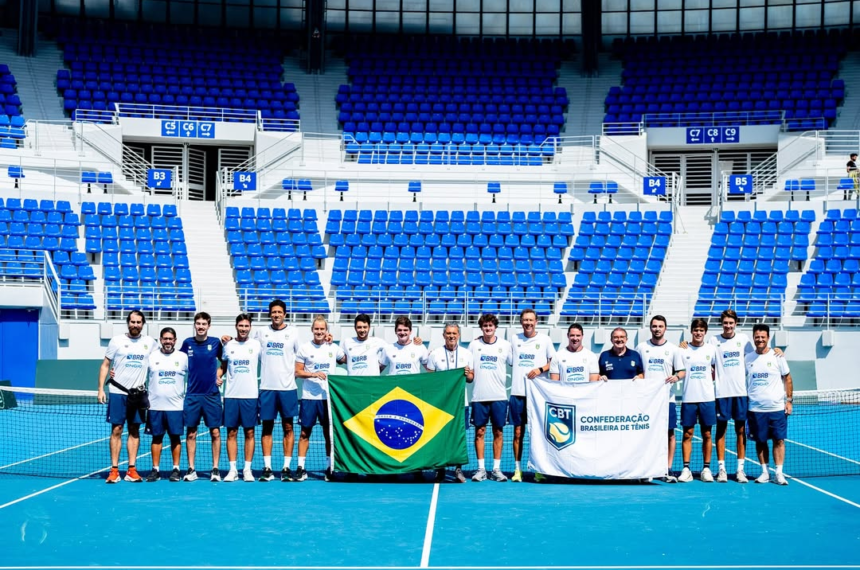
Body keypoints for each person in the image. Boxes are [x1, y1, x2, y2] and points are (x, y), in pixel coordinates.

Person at [97, 310, 158, 484]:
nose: (135, 325)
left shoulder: (150, 343)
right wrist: (100, 389)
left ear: (143, 324)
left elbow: (162, 359)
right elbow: (105, 365)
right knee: (116, 429)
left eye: (139, 322)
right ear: (128, 322)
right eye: (132, 322)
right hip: (118, 392)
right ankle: (114, 470)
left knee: (134, 430)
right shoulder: (116, 341)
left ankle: (132, 469)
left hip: (137, 394)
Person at [254, 300, 301, 482]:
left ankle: (286, 467)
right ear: (270, 314)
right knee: (267, 428)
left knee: (288, 427)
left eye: (279, 312)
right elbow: (250, 349)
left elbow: (301, 356)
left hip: (288, 389)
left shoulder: (294, 333)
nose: (276, 315)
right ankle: (267, 468)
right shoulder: (261, 333)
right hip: (267, 388)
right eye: (273, 312)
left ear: (285, 314)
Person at [635, 316, 686, 482]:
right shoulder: (641, 348)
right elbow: (637, 371)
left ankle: (667, 468)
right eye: (655, 326)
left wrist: (676, 378)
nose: (657, 329)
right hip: (646, 400)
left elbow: (682, 371)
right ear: (650, 328)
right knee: (645, 434)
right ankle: (646, 469)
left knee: (669, 434)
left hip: (667, 400)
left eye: (660, 326)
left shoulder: (673, 349)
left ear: (665, 329)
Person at [295, 316, 345, 482]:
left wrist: (333, 341)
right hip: (309, 398)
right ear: (312, 330)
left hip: (328, 399)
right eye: (316, 329)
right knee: (304, 433)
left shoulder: (333, 348)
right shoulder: (304, 348)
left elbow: (345, 359)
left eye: (322, 329)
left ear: (326, 331)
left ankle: (328, 467)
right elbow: (297, 372)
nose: (319, 332)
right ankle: (300, 468)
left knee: (328, 434)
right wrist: (313, 374)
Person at [708, 309, 755, 484]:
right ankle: (722, 469)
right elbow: (705, 358)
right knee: (721, 431)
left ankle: (740, 470)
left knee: (741, 431)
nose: (728, 326)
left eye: (731, 323)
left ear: (736, 323)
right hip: (722, 394)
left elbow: (756, 356)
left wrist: (776, 351)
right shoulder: (714, 340)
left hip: (741, 393)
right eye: (725, 323)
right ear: (722, 323)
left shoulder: (743, 340)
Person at [509, 308, 555, 482]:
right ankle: (517, 469)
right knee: (518, 433)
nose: (528, 323)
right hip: (518, 394)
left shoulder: (545, 340)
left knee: (538, 433)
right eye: (525, 320)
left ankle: (539, 469)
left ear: (536, 321)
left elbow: (554, 362)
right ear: (521, 322)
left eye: (531, 320)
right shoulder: (514, 339)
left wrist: (540, 369)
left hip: (537, 396)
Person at [426, 322, 474, 483]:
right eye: (448, 333)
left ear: (458, 335)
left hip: (461, 403)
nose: (451, 336)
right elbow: (430, 379)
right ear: (443, 335)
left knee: (459, 435)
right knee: (440, 436)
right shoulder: (435, 354)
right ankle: (440, 468)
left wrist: (467, 374)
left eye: (454, 333)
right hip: (440, 405)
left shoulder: (467, 354)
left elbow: (470, 379)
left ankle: (458, 469)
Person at [468, 313, 513, 482]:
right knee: (479, 432)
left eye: (490, 326)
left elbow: (516, 363)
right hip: (479, 397)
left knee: (498, 432)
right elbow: (470, 371)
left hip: (499, 397)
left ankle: (496, 469)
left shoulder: (505, 345)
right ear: (481, 328)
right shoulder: (474, 345)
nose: (488, 329)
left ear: (495, 327)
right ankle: (481, 469)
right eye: (485, 326)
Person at [745, 324, 792, 486]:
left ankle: (779, 473)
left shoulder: (777, 356)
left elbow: (788, 378)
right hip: (755, 409)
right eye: (757, 337)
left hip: (777, 408)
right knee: (761, 441)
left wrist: (789, 401)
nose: (760, 340)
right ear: (753, 338)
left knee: (779, 440)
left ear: (768, 338)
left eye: (763, 337)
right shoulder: (748, 358)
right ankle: (765, 472)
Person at [180, 311, 224, 482]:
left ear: (209, 325)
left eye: (204, 324)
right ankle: (191, 469)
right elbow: (176, 361)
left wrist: (218, 375)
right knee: (191, 433)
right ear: (194, 325)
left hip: (212, 395)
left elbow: (225, 362)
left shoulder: (215, 343)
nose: (200, 327)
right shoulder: (187, 344)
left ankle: (215, 469)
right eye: (198, 323)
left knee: (215, 433)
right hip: (192, 395)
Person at [219, 313, 262, 483]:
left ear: (250, 327)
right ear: (236, 326)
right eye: (241, 326)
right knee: (231, 432)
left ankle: (247, 469)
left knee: (250, 432)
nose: (243, 329)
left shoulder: (257, 345)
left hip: (250, 396)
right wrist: (218, 376)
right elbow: (223, 366)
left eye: (246, 326)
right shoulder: (228, 345)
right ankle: (232, 470)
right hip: (231, 396)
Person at [144, 327, 188, 483]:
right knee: (156, 438)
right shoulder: (151, 357)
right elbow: (139, 374)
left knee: (175, 438)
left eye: (170, 339)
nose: (168, 341)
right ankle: (155, 469)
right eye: (165, 338)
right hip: (155, 406)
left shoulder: (183, 357)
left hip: (176, 407)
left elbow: (196, 374)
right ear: (160, 340)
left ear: (175, 340)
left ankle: (176, 469)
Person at [677, 319, 717, 483]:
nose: (698, 333)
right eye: (696, 330)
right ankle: (686, 468)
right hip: (689, 399)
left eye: (701, 330)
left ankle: (706, 468)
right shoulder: (683, 350)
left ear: (705, 332)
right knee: (688, 434)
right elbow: (678, 370)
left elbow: (717, 370)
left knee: (707, 434)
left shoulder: (712, 350)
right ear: (691, 331)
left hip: (707, 398)